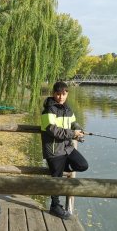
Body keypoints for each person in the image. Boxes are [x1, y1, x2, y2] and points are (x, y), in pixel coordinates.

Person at [40, 81, 89, 220]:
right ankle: (55, 206)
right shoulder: (48, 110)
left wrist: (79, 129)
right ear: (53, 93)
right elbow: (52, 130)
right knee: (56, 180)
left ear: (67, 94)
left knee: (83, 165)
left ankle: (62, 169)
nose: (61, 97)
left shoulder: (68, 109)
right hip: (54, 151)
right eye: (58, 94)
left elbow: (74, 123)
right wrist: (73, 134)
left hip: (67, 148)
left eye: (63, 94)